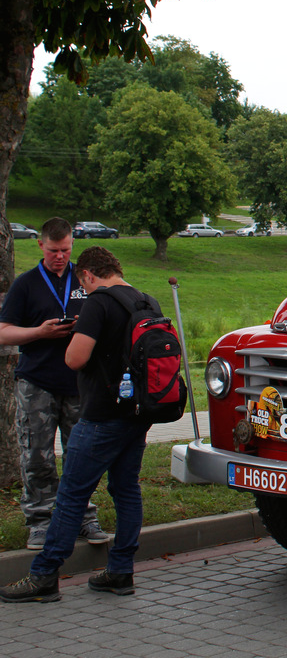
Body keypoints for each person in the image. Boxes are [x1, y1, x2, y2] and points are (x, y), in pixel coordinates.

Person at [1, 247, 157, 603]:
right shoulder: (145, 301)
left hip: (101, 415)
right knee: (127, 489)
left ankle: (44, 575)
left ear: (87, 275)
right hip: (138, 413)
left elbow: (75, 358)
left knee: (71, 495)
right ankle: (120, 571)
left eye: (82, 282)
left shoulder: (97, 304)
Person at [0, 217, 107, 551]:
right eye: (53, 250)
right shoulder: (27, 284)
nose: (60, 256)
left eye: (66, 250)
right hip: (37, 382)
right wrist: (39, 333)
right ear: (41, 245)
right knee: (37, 455)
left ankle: (84, 517)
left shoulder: (84, 279)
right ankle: (40, 521)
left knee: (82, 455)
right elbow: (4, 332)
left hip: (80, 383)